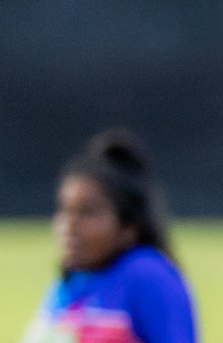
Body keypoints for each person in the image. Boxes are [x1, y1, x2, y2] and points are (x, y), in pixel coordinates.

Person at [21, 130, 197, 343]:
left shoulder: (147, 273)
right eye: (65, 211)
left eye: (88, 213)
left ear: (128, 228)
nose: (69, 225)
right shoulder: (68, 284)